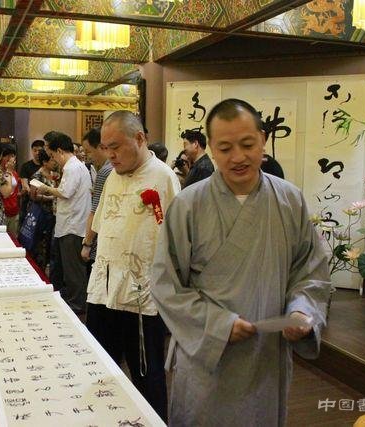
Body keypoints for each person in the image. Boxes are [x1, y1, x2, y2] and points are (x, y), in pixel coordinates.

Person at [150, 99, 331, 427]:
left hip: (265, 358)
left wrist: (303, 310)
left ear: (263, 140)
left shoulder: (290, 200)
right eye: (225, 147)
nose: (238, 157)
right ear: (212, 150)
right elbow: (166, 284)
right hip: (206, 355)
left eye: (247, 144)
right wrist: (218, 324)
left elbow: (309, 271)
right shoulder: (189, 204)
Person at [86, 111, 180, 421]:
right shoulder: (112, 175)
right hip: (104, 288)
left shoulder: (163, 177)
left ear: (139, 139)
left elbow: (175, 239)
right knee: (102, 366)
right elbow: (101, 222)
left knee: (146, 373)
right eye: (105, 147)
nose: (109, 154)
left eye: (116, 146)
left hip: (142, 297)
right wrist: (87, 246)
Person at [38, 131, 92, 314]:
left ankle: (77, 304)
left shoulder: (72, 167)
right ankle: (73, 301)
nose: (54, 160)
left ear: (60, 151)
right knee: (69, 268)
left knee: (73, 270)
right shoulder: (77, 166)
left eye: (53, 155)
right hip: (72, 223)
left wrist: (46, 188)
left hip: (73, 225)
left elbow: (65, 192)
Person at [79, 127, 113, 278]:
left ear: (101, 147)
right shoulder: (114, 169)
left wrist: (87, 244)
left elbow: (96, 211)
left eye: (89, 152)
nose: (88, 157)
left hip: (101, 241)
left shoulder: (105, 171)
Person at [27, 149, 59, 272]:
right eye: (52, 159)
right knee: (40, 245)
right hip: (41, 214)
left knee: (50, 245)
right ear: (45, 162)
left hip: (52, 214)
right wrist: (50, 197)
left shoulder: (54, 174)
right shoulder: (37, 176)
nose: (54, 161)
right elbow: (33, 196)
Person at [19, 140, 45, 225]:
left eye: (40, 150)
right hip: (29, 203)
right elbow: (25, 184)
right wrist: (33, 193)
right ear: (32, 150)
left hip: (45, 205)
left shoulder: (47, 165)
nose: (37, 153)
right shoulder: (26, 166)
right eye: (35, 150)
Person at [0, 144, 20, 236]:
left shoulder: (14, 173)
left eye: (12, 156)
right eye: (7, 156)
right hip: (1, 212)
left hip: (14, 211)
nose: (10, 159)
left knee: (14, 239)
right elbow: (4, 193)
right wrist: (8, 171)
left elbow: (14, 190)